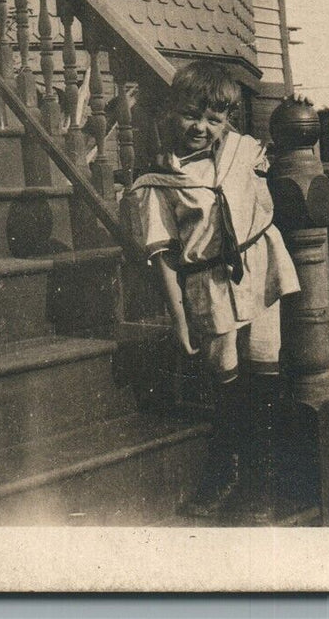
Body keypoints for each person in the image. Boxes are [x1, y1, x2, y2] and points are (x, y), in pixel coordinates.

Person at [125, 61, 300, 524]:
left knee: (266, 370)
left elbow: (276, 149)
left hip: (261, 267)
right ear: (170, 114)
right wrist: (179, 316)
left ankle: (262, 488)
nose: (201, 128)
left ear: (227, 121)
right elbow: (161, 254)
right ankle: (226, 474)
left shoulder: (244, 151)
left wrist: (296, 107)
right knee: (225, 380)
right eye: (190, 116)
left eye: (214, 119)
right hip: (208, 283)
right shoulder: (157, 183)